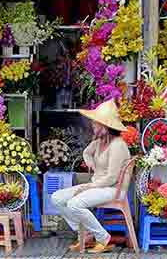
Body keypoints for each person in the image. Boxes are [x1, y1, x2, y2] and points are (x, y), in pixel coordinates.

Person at [51, 99, 131, 254]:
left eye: (96, 123)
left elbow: (111, 178)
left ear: (105, 127)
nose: (92, 125)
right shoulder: (99, 142)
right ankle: (85, 234)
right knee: (57, 197)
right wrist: (92, 163)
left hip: (113, 189)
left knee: (74, 203)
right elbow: (86, 153)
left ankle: (103, 238)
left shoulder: (118, 145)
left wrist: (88, 186)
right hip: (98, 186)